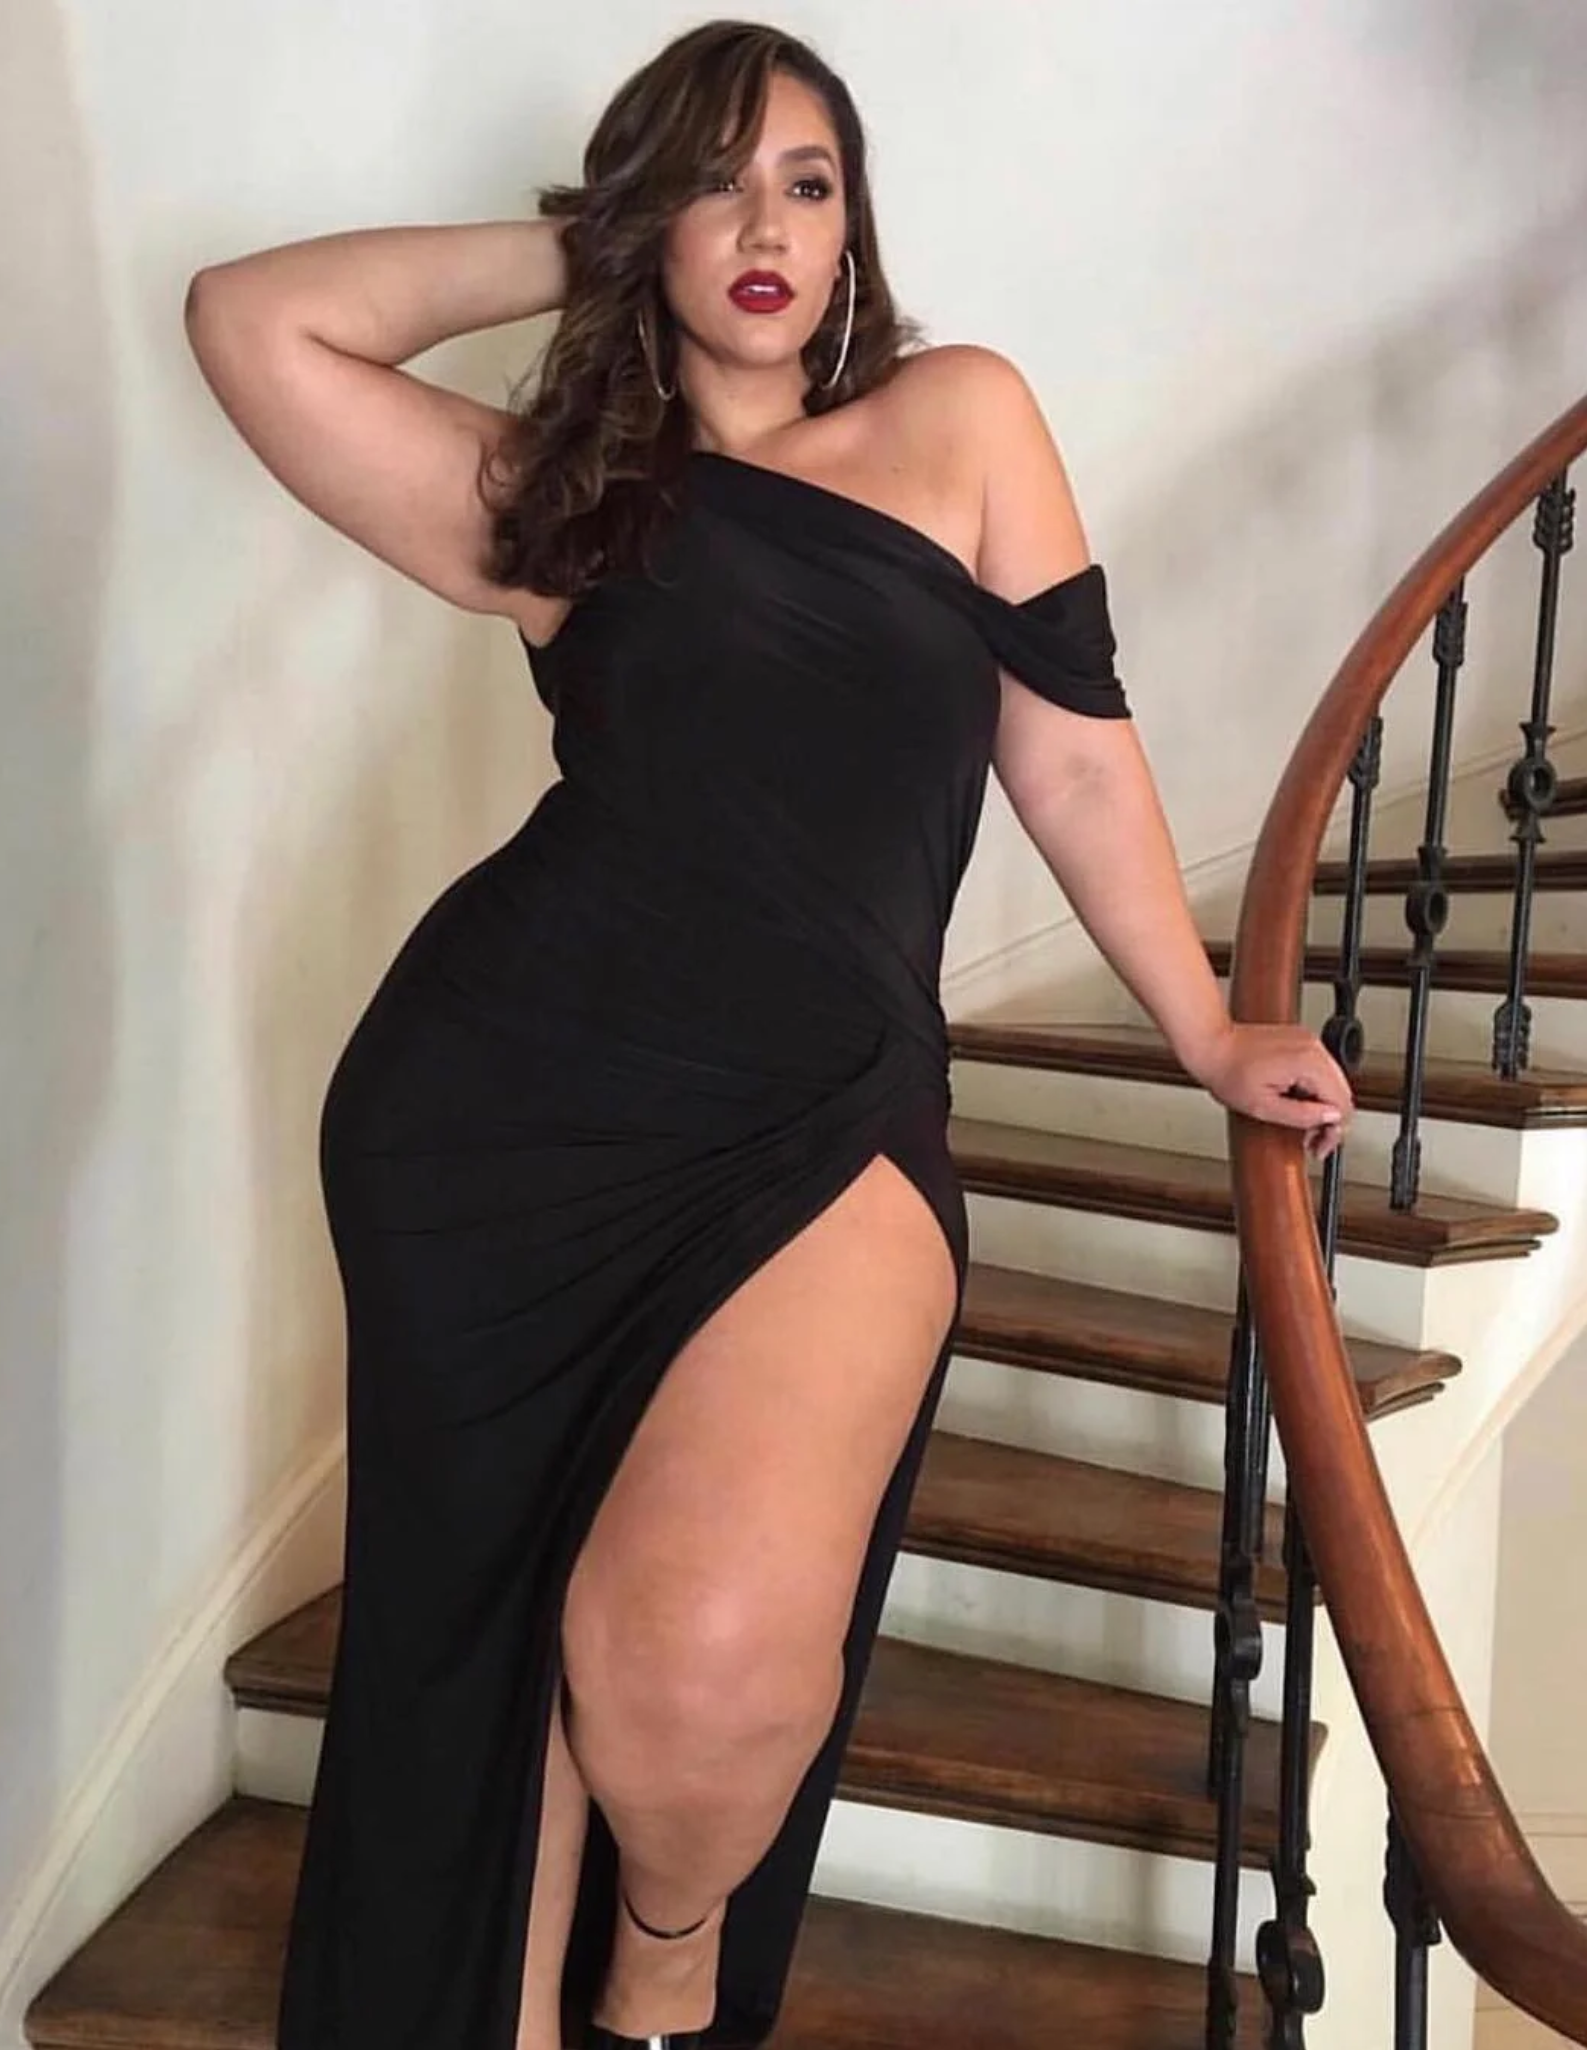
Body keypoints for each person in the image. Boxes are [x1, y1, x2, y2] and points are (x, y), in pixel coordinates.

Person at [184, 19, 1352, 2050]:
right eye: (711, 185)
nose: (763, 228)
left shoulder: (962, 417)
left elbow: (1074, 755)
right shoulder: (568, 499)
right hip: (502, 1114)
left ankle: (664, 1952)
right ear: (648, 217)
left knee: (701, 1661)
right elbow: (249, 321)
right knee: (486, 1639)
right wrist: (592, 243)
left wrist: (1199, 1021)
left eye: (804, 184)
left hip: (827, 1109)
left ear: (853, 224)